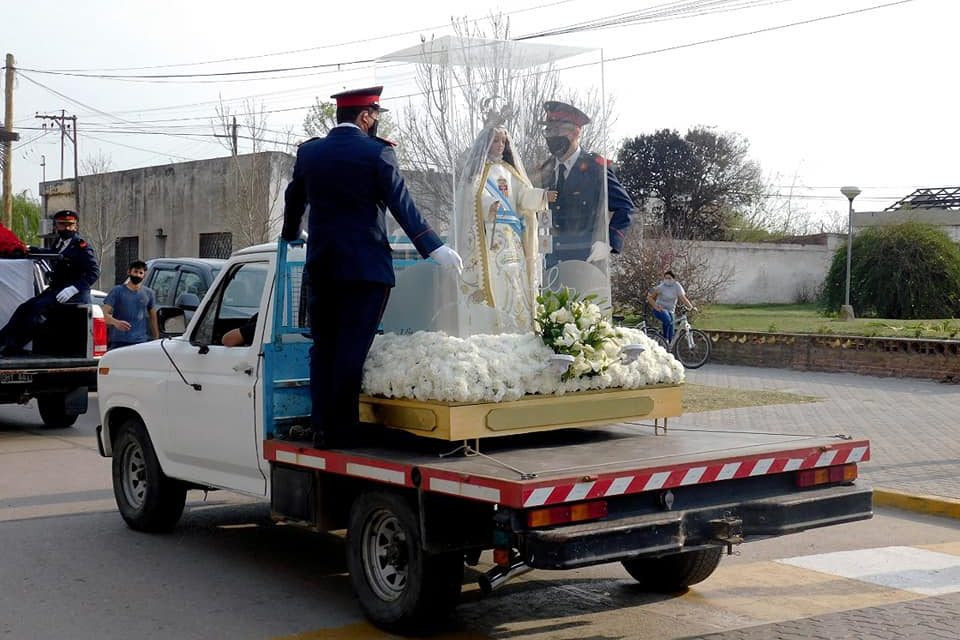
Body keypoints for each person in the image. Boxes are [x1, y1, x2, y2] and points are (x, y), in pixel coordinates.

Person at [280, 85, 462, 449]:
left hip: (322, 266)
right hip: (365, 270)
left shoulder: (310, 152)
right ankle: (344, 429)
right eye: (375, 116)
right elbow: (401, 203)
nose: (376, 122)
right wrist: (433, 246)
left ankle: (322, 427)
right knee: (352, 347)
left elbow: (293, 196)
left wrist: (290, 233)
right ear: (366, 117)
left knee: (324, 347)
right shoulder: (377, 154)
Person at [455, 120, 555, 333]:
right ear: (486, 143)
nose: (500, 145)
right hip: (492, 235)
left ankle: (519, 324)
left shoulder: (510, 171)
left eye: (503, 141)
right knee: (496, 276)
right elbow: (472, 197)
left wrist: (541, 196)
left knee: (515, 276)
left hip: (513, 236)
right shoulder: (478, 173)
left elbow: (522, 196)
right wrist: (489, 204)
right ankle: (495, 324)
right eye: (496, 141)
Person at [534, 101, 635, 269]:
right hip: (549, 262)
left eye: (557, 130)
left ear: (575, 132)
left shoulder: (595, 168)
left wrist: (609, 241)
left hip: (585, 262)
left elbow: (626, 207)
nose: (551, 136)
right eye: (549, 131)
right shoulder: (546, 170)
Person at [0, 209, 100, 356]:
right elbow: (53, 255)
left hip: (73, 293)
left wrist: (74, 288)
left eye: (70, 225)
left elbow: (94, 272)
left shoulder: (81, 247)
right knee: (24, 308)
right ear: (55, 226)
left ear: (76, 226)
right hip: (58, 289)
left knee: (37, 311)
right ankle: (2, 341)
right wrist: (31, 250)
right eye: (62, 224)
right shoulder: (59, 243)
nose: (66, 228)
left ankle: (13, 347)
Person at [102, 260, 158, 350]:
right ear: (129, 272)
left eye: (141, 273)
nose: (138, 275)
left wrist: (156, 338)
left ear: (144, 275)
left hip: (140, 342)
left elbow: (153, 317)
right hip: (119, 342)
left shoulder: (149, 293)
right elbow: (103, 315)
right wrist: (116, 322)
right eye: (135, 272)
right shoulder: (117, 291)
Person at [646, 270, 694, 343]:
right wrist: (656, 306)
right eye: (665, 278)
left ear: (673, 279)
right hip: (660, 309)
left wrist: (691, 307)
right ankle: (665, 340)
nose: (667, 280)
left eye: (669, 278)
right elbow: (649, 297)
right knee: (667, 319)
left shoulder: (677, 286)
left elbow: (683, 298)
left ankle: (667, 347)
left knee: (671, 333)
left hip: (671, 311)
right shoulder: (661, 287)